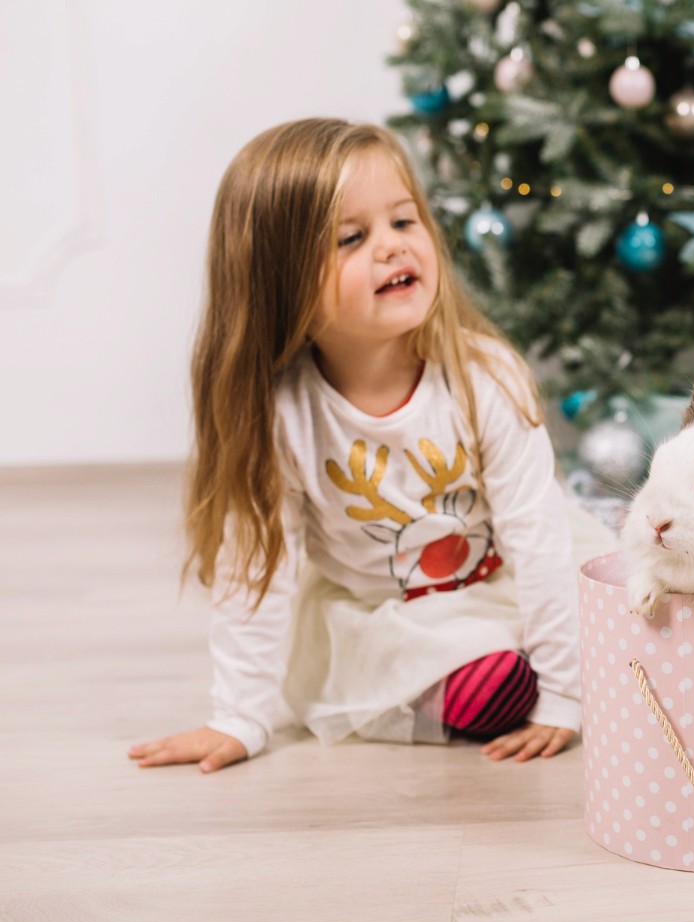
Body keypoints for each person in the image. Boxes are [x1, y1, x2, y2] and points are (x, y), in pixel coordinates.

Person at [128, 118, 610, 773]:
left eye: (404, 222)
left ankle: (535, 672)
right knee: (485, 681)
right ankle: (487, 679)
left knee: (618, 618)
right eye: (352, 238)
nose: (391, 247)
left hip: (504, 581)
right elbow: (257, 571)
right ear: (281, 281)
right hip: (383, 616)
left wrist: (564, 695)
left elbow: (539, 540)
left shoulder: (485, 376)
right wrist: (238, 717)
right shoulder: (282, 414)